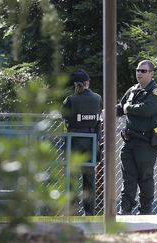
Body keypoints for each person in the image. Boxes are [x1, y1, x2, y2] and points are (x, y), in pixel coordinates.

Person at [116, 60, 157, 215]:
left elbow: (147, 109)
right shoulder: (132, 90)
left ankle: (145, 211)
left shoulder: (156, 92)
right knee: (128, 177)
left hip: (147, 142)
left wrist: (127, 109)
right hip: (130, 140)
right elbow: (121, 107)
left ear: (151, 73)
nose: (139, 73)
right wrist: (108, 111)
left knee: (144, 177)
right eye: (138, 70)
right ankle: (124, 209)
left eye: (143, 71)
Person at [62, 69, 102, 216]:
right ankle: (89, 213)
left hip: (75, 141)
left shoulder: (71, 99)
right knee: (89, 180)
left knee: (72, 178)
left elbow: (64, 115)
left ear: (75, 84)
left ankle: (72, 211)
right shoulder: (97, 98)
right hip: (91, 142)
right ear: (88, 82)